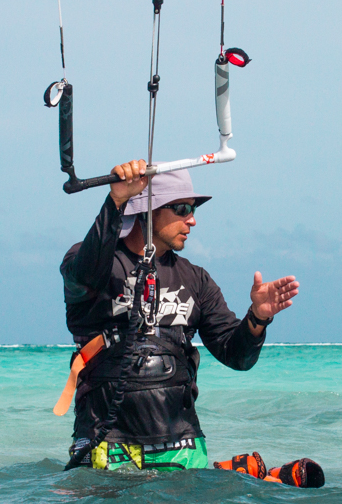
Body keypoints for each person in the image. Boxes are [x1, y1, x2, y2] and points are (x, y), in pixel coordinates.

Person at [59, 160, 299, 471]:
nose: (192, 220)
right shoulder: (90, 263)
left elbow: (237, 356)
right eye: (182, 209)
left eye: (193, 209)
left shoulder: (196, 280)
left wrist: (257, 318)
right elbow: (84, 278)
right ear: (148, 211)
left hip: (183, 447)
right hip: (106, 444)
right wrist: (116, 201)